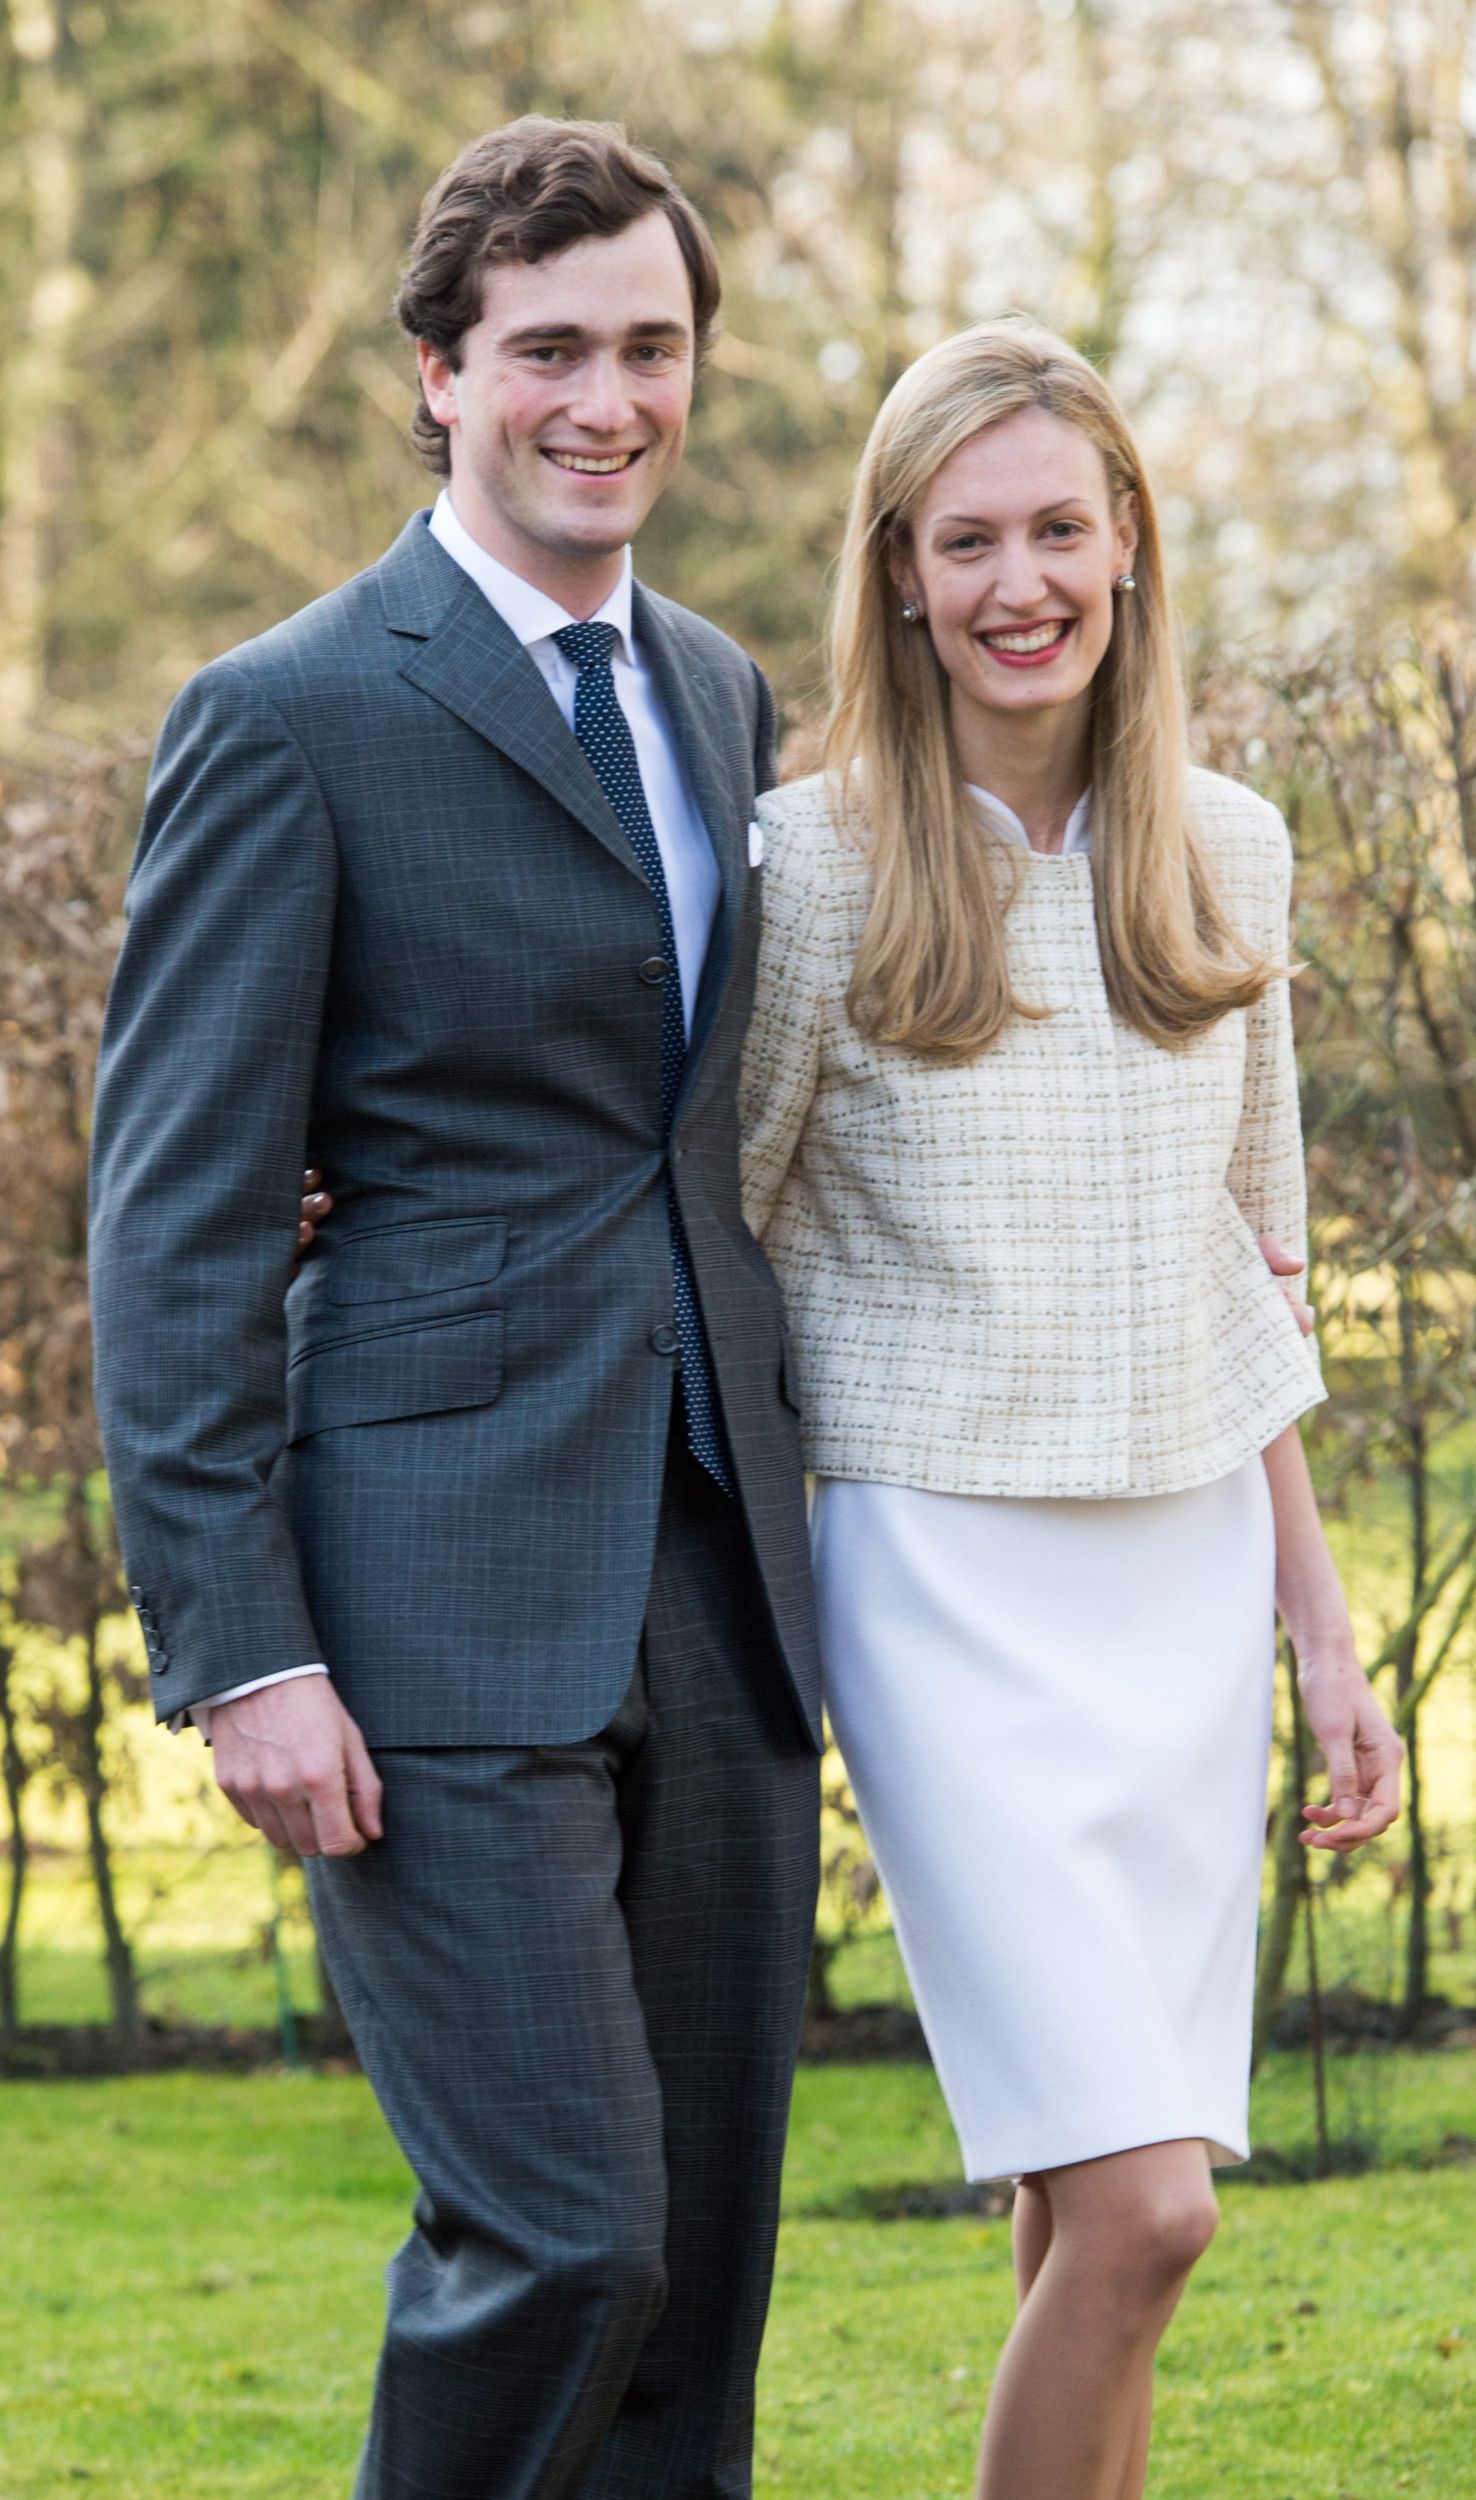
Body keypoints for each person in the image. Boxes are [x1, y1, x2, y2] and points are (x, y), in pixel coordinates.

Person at [88, 119, 824, 2500]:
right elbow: (178, 1217)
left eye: (647, 346)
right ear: (439, 374)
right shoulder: (289, 711)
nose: (602, 398)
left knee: (697, 2279)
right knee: (558, 2233)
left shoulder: (720, 694)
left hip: (715, 1580)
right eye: (546, 351)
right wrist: (240, 1641)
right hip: (421, 1603)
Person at [735, 319, 1404, 2500]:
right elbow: (702, 1224)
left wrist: (1319, 1628)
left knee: (1075, 2209)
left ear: (1124, 541)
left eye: (1056, 525)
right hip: (939, 1576)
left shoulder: (1229, 847)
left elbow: (1250, 1261)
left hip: (1187, 1578)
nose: (1018, 578)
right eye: (966, 541)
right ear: (898, 575)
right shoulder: (809, 867)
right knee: (1147, 2207)